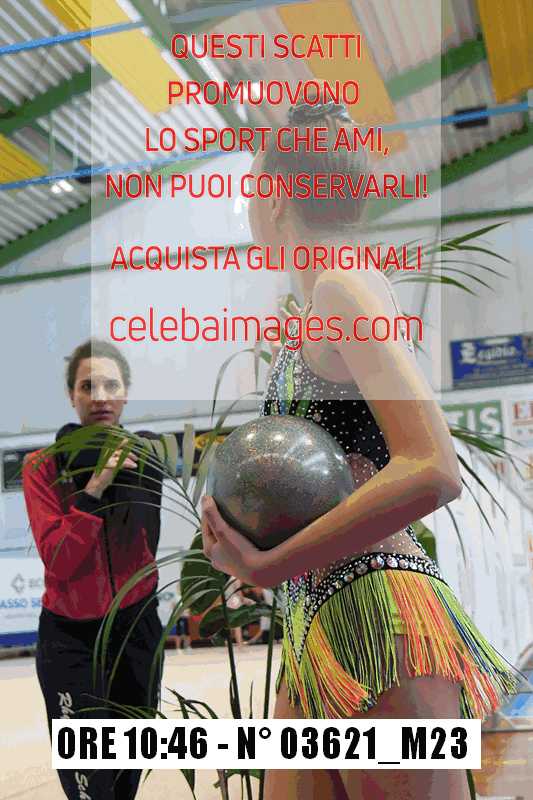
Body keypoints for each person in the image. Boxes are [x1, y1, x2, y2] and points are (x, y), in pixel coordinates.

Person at [200, 101, 519, 799]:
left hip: (374, 610)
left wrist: (269, 563)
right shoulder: (321, 304)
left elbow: (433, 467)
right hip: (315, 618)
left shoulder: (343, 284)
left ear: (274, 197)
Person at [23, 339, 177, 800]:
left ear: (126, 393)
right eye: (87, 386)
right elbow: (59, 558)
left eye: (111, 385)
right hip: (71, 637)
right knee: (90, 781)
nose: (100, 396)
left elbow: (156, 537)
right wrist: (94, 489)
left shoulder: (148, 456)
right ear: (71, 395)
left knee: (128, 772)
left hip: (136, 630)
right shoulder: (42, 467)